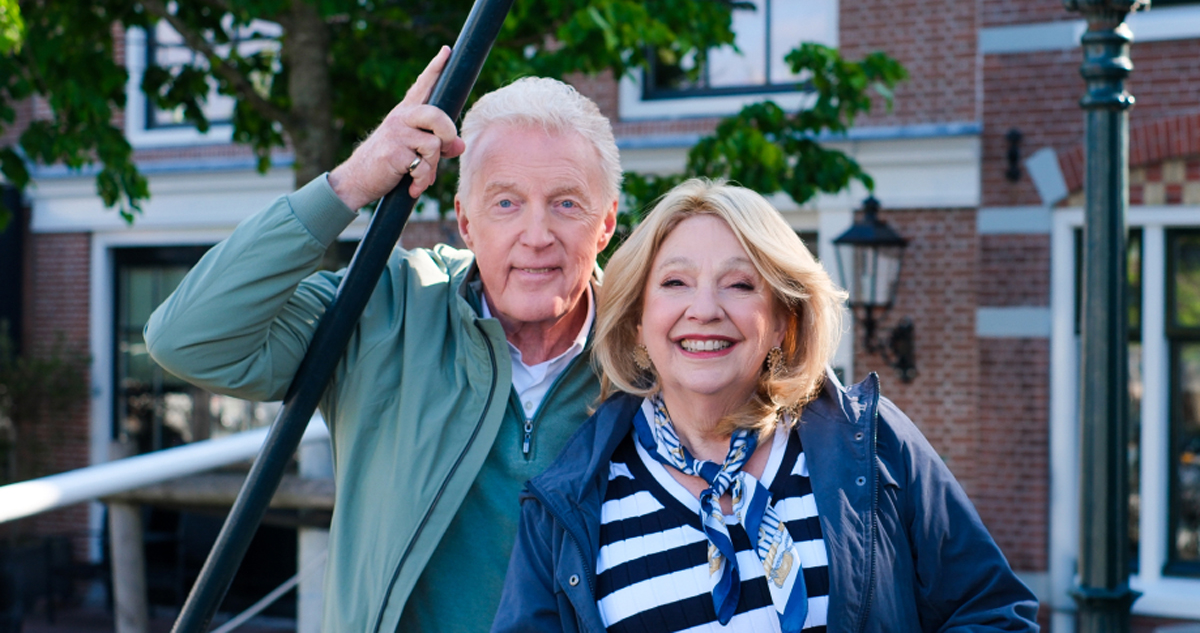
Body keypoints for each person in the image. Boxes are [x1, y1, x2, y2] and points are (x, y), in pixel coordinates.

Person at [145, 47, 621, 632]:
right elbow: (187, 338)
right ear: (466, 222)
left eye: (566, 204)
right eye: (506, 203)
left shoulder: (648, 351)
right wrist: (353, 181)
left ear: (605, 224)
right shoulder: (384, 305)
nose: (537, 234)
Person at [492, 178, 1039, 633]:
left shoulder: (873, 447)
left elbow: (993, 613)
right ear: (638, 320)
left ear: (783, 321)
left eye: (739, 284)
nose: (704, 309)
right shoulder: (566, 506)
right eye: (676, 282)